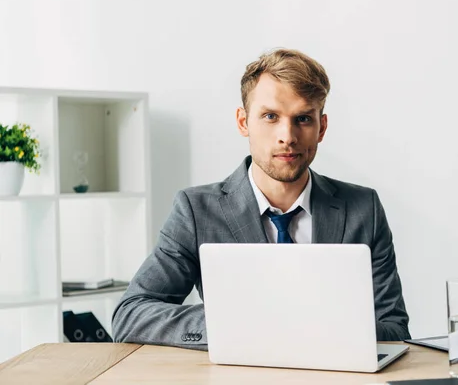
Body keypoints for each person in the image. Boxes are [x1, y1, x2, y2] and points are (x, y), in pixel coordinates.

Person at [112, 48, 410, 350]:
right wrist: (241, 322)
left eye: (304, 118)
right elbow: (132, 316)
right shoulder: (196, 210)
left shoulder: (363, 208)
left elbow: (394, 328)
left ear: (322, 127)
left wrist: (318, 326)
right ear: (243, 122)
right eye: (270, 116)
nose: (288, 136)